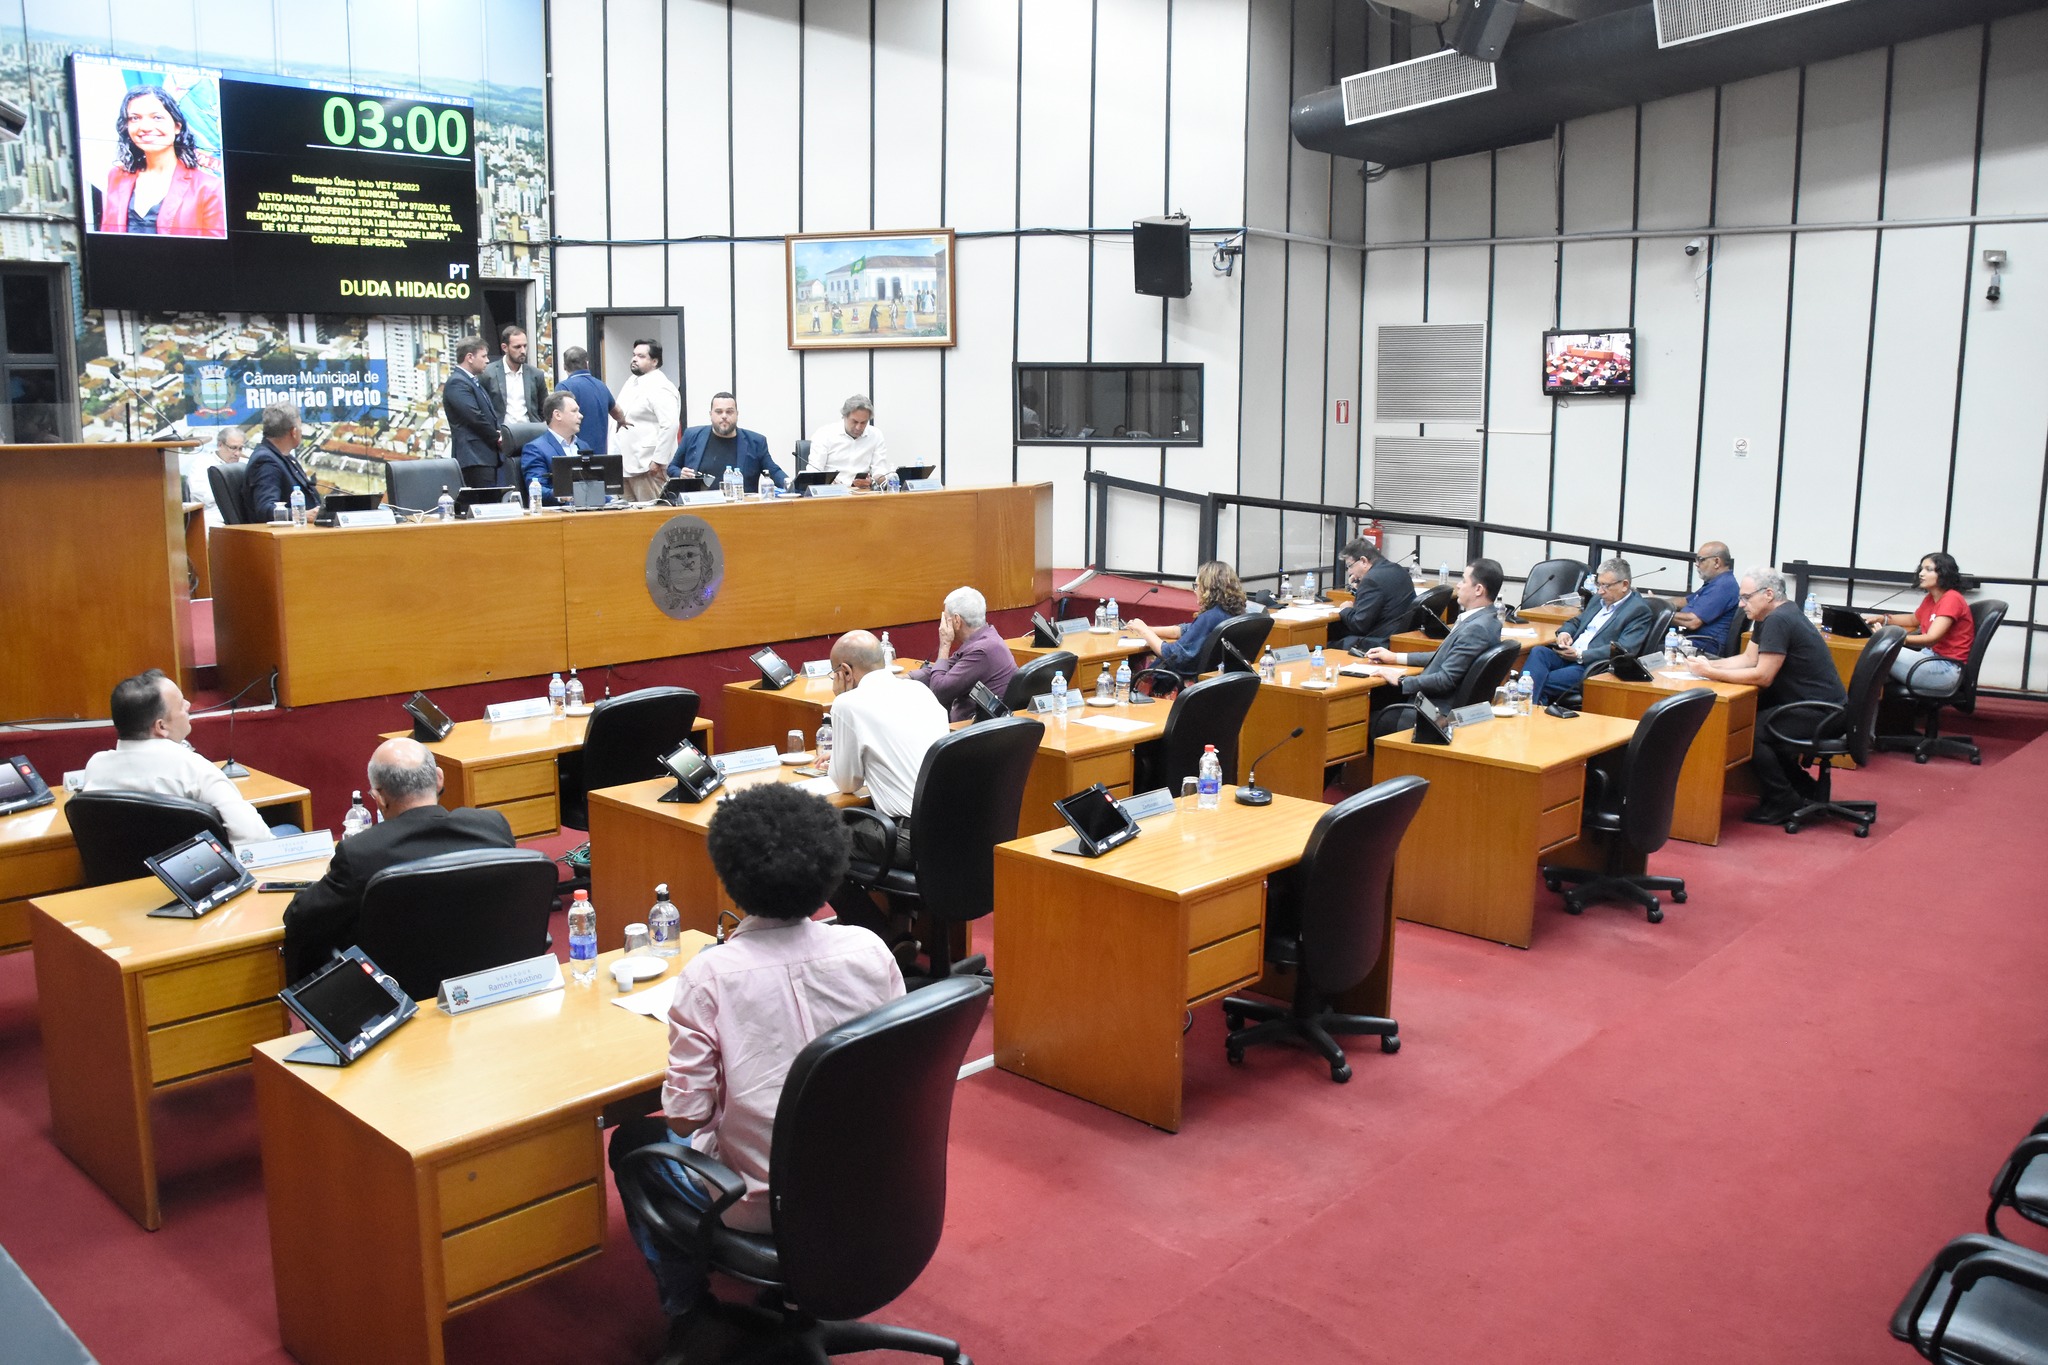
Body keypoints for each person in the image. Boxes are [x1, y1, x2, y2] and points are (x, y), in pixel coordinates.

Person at [606, 783, 902, 1360]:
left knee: (633, 1141)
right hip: (875, 1180)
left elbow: (686, 1117)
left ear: (731, 875)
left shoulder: (711, 975)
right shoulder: (870, 949)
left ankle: (689, 1310)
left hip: (763, 1202)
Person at [279, 739, 514, 982]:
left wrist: (326, 879)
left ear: (378, 797)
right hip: (490, 981)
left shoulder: (360, 852)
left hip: (396, 994)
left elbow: (299, 920)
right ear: (439, 779)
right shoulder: (493, 827)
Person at [1684, 569, 1846, 824]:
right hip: (1813, 705)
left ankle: (1783, 800)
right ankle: (1805, 789)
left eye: (1746, 597)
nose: (1741, 604)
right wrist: (1706, 666)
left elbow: (1762, 676)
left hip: (1821, 712)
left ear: (1768, 594)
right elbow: (1749, 659)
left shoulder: (1779, 620)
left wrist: (1713, 673)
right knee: (1753, 723)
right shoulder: (1772, 615)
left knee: (1752, 732)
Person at [82, 669, 280, 847]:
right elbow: (255, 838)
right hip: (201, 879)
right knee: (288, 829)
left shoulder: (95, 767)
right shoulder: (194, 769)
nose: (188, 705)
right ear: (161, 727)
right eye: (180, 704)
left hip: (125, 882)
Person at [1364, 558, 1506, 729]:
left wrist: (1402, 680)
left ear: (1478, 589)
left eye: (1463, 580)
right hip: (1441, 708)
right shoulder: (1489, 621)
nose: (1458, 585)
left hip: (1433, 713)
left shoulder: (1475, 629)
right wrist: (1395, 657)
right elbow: (1447, 657)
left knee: (1367, 719)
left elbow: (1445, 680)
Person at [1520, 557, 1655, 704]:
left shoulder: (1638, 610)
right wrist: (1566, 632)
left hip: (1591, 665)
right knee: (1539, 652)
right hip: (1567, 654)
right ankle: (1527, 706)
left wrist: (1581, 655)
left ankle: (1525, 710)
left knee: (1539, 682)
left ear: (1624, 585)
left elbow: (1625, 649)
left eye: (1606, 586)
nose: (1600, 591)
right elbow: (1577, 621)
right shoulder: (1598, 600)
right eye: (1599, 584)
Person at [97, 85, 225, 239]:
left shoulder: (209, 187)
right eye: (135, 118)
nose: (145, 127)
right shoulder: (116, 176)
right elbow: (106, 241)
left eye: (157, 117)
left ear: (177, 126)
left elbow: (216, 253)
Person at [1865, 551, 1975, 699]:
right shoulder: (1932, 598)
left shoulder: (1952, 599)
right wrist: (1883, 619)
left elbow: (1931, 638)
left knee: (1879, 650)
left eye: (1928, 570)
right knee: (1877, 655)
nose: (1921, 574)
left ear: (1943, 573)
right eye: (1921, 569)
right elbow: (1913, 620)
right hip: (1929, 658)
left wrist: (1893, 640)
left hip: (1945, 669)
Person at [909, 586, 1018, 721]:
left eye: (945, 618)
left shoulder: (982, 651)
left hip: (972, 733)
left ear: (956, 620)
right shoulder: (985, 638)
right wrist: (906, 678)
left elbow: (939, 691)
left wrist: (944, 645)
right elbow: (945, 668)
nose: (942, 624)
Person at [1127, 560, 1246, 678]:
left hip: (1179, 683)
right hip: (1216, 679)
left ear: (1208, 589)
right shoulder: (1230, 613)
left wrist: (1144, 632)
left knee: (1133, 666)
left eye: (1197, 586)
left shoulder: (1209, 618)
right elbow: (1186, 629)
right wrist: (1148, 628)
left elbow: (1173, 655)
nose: (1195, 591)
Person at [670, 392, 787, 494]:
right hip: (700, 508)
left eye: (729, 412)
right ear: (711, 414)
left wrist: (792, 485)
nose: (724, 416)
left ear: (737, 414)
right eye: (719, 412)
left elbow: (774, 471)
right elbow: (671, 467)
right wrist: (680, 473)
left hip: (740, 509)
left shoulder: (756, 442)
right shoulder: (692, 435)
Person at [614, 339, 680, 504]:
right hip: (625, 464)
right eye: (634, 355)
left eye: (641, 356)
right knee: (629, 520)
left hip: (648, 465)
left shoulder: (661, 386)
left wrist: (658, 460)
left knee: (651, 516)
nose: (634, 359)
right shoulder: (631, 381)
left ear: (655, 361)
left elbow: (670, 425)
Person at [1330, 537, 1417, 653]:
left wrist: (1345, 609)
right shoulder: (1397, 569)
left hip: (1378, 642)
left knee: (1325, 641)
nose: (1349, 572)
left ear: (1364, 561)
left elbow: (1359, 625)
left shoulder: (1371, 580)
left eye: (1350, 566)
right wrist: (1360, 589)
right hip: (1398, 636)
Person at [442, 336, 504, 490]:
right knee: (482, 504)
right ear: (469, 357)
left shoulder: (473, 381)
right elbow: (474, 417)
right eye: (483, 356)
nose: (488, 360)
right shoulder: (457, 382)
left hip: (485, 456)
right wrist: (497, 437)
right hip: (474, 458)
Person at [481, 325, 549, 455]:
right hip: (501, 439)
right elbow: (483, 410)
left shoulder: (536, 374)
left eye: (525, 346)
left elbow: (544, 408)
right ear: (504, 348)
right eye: (517, 347)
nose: (523, 351)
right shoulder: (488, 374)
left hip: (532, 436)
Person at [243, 402, 320, 518]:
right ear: (293, 432)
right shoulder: (266, 461)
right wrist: (302, 515)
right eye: (300, 427)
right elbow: (265, 509)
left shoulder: (284, 457)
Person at [807, 393, 890, 487]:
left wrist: (873, 481)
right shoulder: (824, 434)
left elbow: (880, 469)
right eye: (854, 422)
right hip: (831, 492)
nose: (858, 427)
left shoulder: (876, 435)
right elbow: (814, 471)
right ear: (844, 416)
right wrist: (827, 481)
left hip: (863, 492)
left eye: (863, 422)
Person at [557, 345, 627, 454]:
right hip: (600, 455)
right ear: (587, 364)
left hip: (575, 454)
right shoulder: (601, 385)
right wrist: (621, 421)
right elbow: (617, 410)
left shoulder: (564, 387)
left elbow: (558, 419)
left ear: (564, 367)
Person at [1672, 541, 1740, 655]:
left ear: (1717, 562)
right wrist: (1657, 603)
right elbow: (1685, 601)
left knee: (1650, 650)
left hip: (1703, 648)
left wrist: (1659, 613)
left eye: (1701, 559)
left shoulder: (1724, 585)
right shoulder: (1714, 583)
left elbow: (1692, 621)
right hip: (1691, 642)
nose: (1697, 564)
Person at [519, 390, 583, 504]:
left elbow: (594, 484)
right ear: (557, 415)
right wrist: (563, 496)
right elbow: (537, 490)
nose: (581, 416)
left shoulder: (583, 446)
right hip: (560, 514)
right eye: (574, 411)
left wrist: (614, 501)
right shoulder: (535, 449)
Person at [185, 424, 246, 527]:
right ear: (220, 445)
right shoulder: (201, 464)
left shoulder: (245, 463)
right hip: (213, 513)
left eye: (240, 449)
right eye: (233, 448)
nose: (237, 453)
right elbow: (205, 496)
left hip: (242, 512)